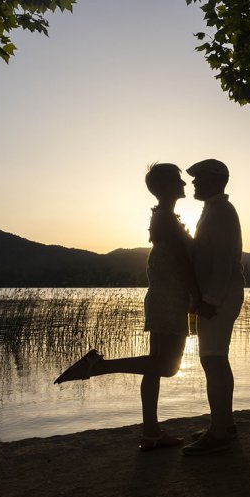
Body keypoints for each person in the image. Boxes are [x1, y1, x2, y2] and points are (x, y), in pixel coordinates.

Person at [54, 163, 199, 451]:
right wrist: (196, 298)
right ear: (167, 186)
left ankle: (151, 432)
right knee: (168, 367)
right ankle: (99, 366)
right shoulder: (167, 221)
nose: (184, 184)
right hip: (170, 298)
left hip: (161, 296)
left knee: (154, 367)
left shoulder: (162, 218)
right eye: (178, 180)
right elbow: (183, 264)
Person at [180, 158, 245, 456]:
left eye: (199, 178)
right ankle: (224, 424)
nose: (193, 182)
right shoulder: (214, 210)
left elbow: (225, 261)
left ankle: (219, 432)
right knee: (216, 360)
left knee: (214, 361)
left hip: (218, 298)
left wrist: (210, 301)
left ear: (217, 180)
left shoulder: (220, 212)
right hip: (216, 297)